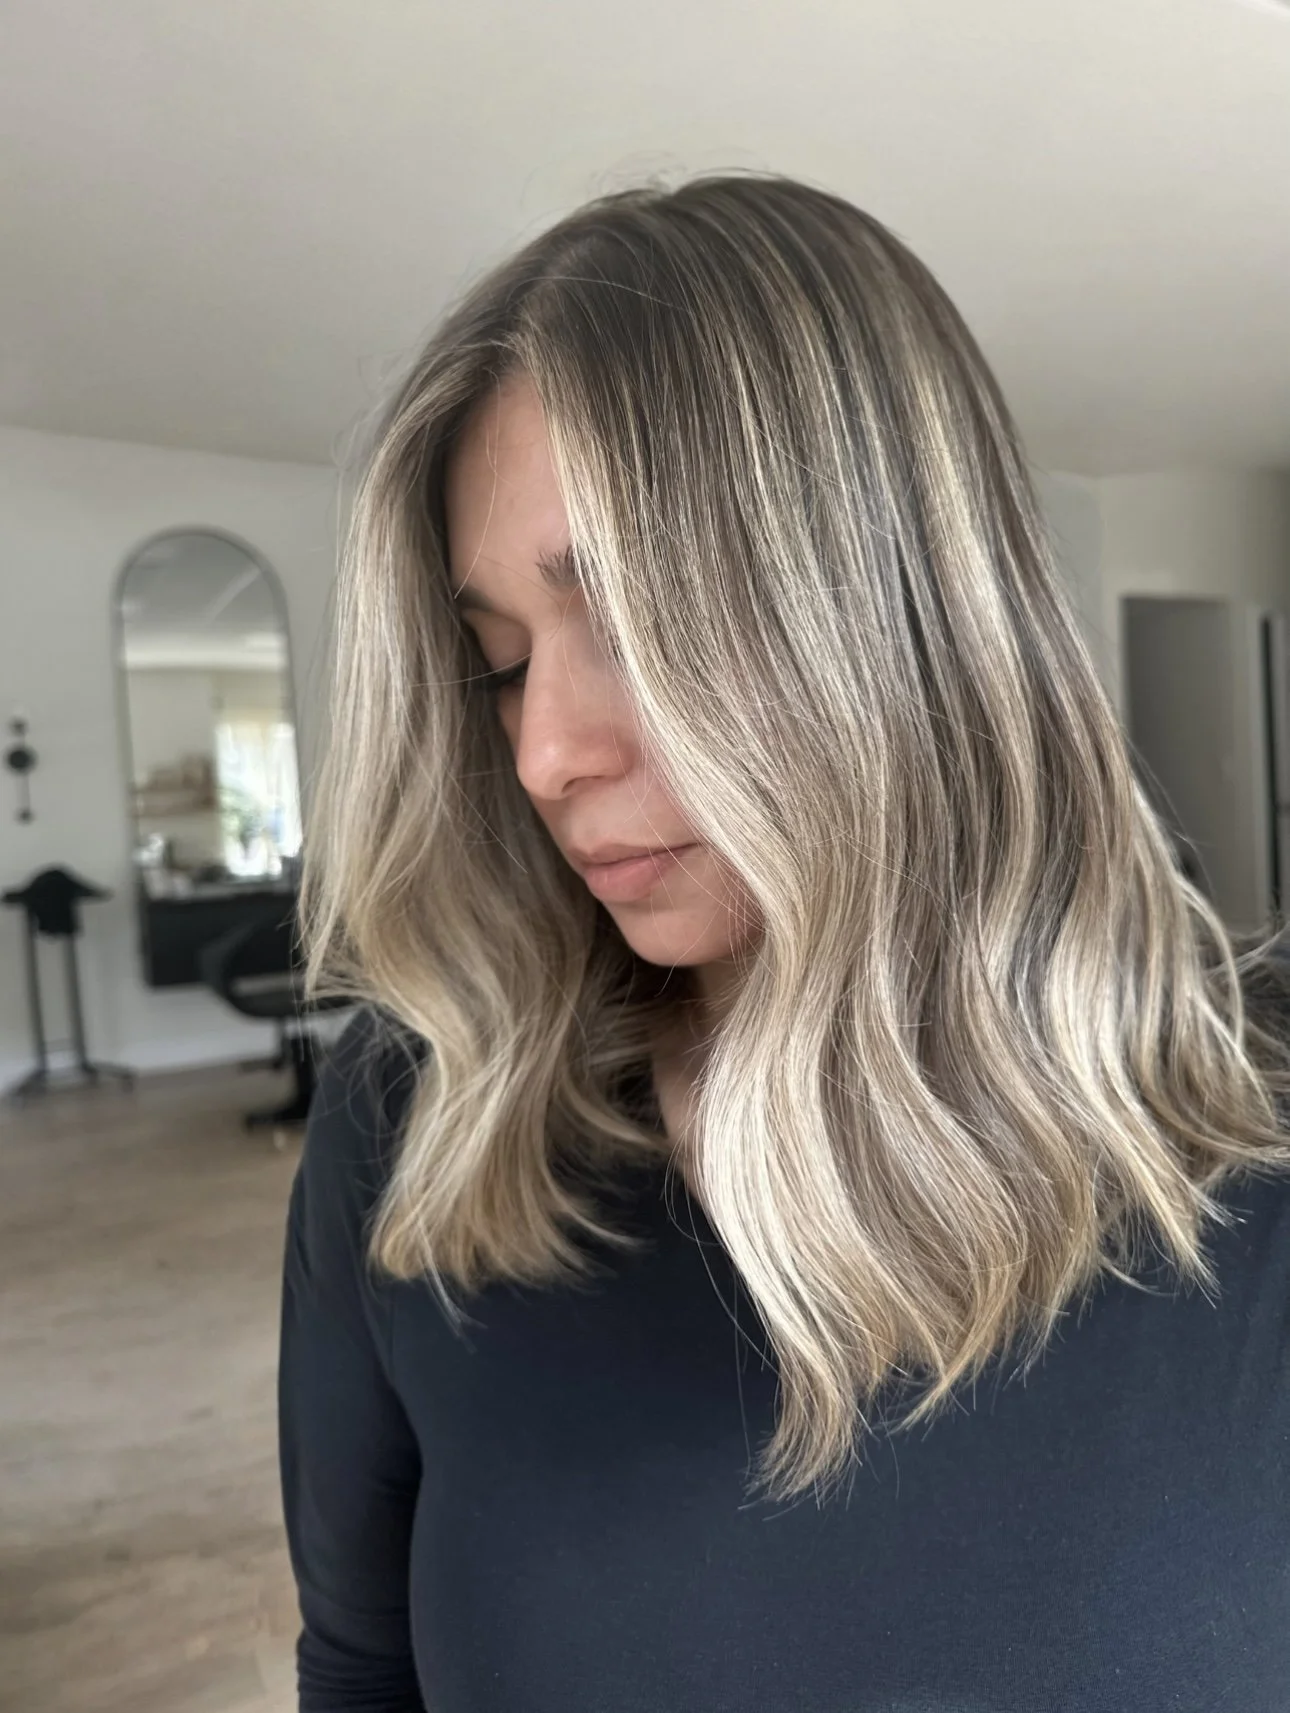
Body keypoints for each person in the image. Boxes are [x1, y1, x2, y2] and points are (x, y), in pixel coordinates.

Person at [277, 172, 1290, 1713]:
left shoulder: (1252, 1152)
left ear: (897, 606)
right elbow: (362, 1669)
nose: (544, 749)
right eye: (495, 664)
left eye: (625, 619)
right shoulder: (420, 1122)